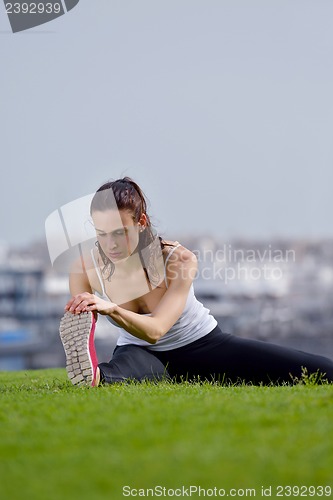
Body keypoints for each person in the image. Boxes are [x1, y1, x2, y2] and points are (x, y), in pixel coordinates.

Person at [59, 177, 333, 387]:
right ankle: (96, 376)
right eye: (101, 234)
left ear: (141, 222)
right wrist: (83, 314)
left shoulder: (179, 260)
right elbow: (93, 329)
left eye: (119, 232)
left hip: (202, 346)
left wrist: (111, 308)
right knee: (112, 373)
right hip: (140, 352)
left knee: (318, 370)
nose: (110, 244)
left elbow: (156, 330)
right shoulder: (84, 269)